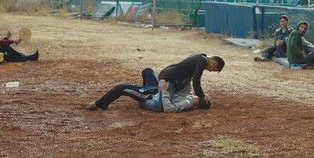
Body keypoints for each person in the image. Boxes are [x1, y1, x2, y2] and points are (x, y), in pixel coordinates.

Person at [87, 54, 225, 112]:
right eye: (214, 70)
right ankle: (99, 104)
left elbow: (191, 79)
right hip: (168, 81)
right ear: (214, 63)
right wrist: (201, 94)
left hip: (166, 81)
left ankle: (149, 89)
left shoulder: (199, 57)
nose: (211, 71)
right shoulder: (202, 61)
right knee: (156, 102)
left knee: (147, 71)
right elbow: (196, 80)